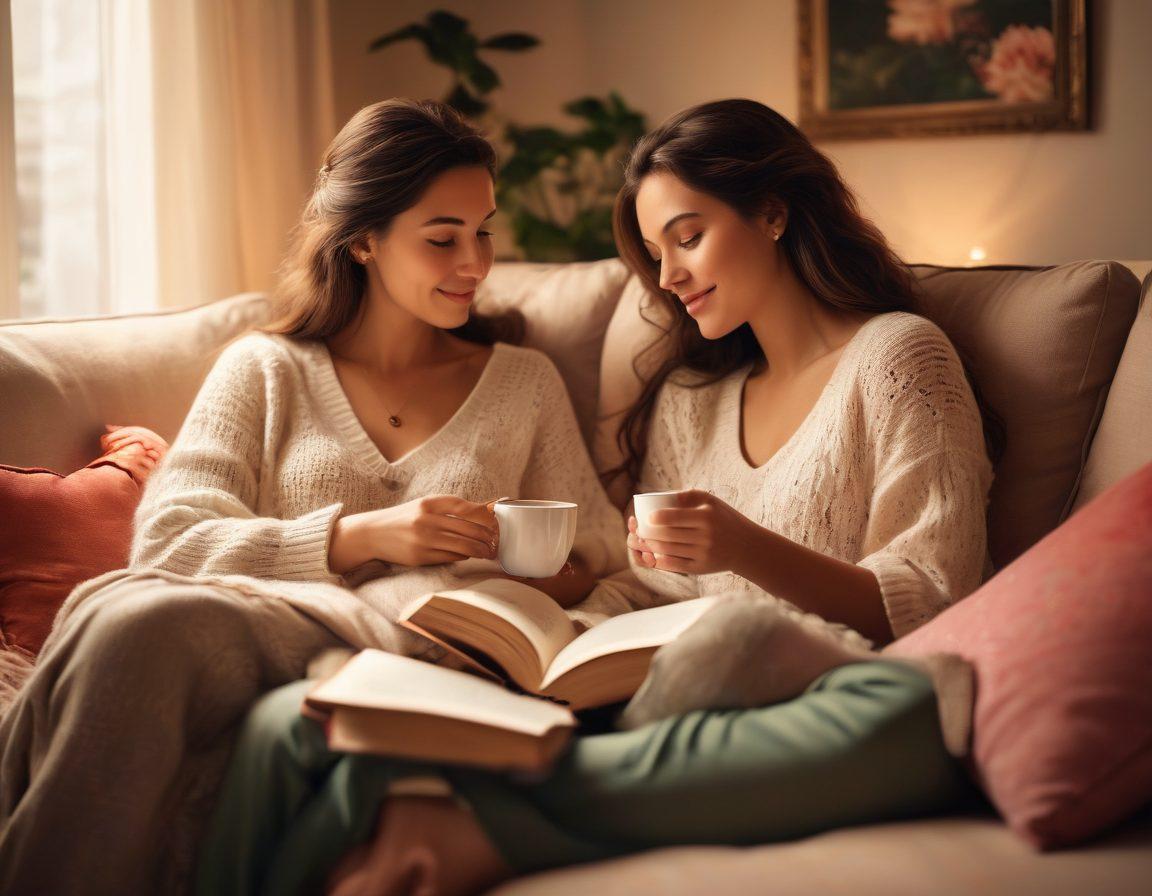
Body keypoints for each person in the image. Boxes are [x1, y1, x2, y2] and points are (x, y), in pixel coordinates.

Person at [190, 99, 995, 896]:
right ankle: (469, 775)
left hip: (803, 695)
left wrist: (744, 549)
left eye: (688, 237)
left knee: (864, 695)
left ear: (775, 212)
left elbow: (931, 604)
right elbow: (644, 584)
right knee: (282, 722)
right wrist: (557, 618)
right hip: (667, 703)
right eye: (656, 251)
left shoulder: (898, 360)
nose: (670, 275)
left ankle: (464, 794)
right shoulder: (692, 394)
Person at [0, 99, 636, 896]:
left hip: (430, 649)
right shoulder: (265, 370)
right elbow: (166, 543)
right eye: (443, 238)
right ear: (363, 240)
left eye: (483, 231)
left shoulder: (522, 382)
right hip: (274, 627)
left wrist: (542, 576)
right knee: (120, 609)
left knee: (141, 619)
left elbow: (603, 551)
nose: (475, 262)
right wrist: (360, 537)